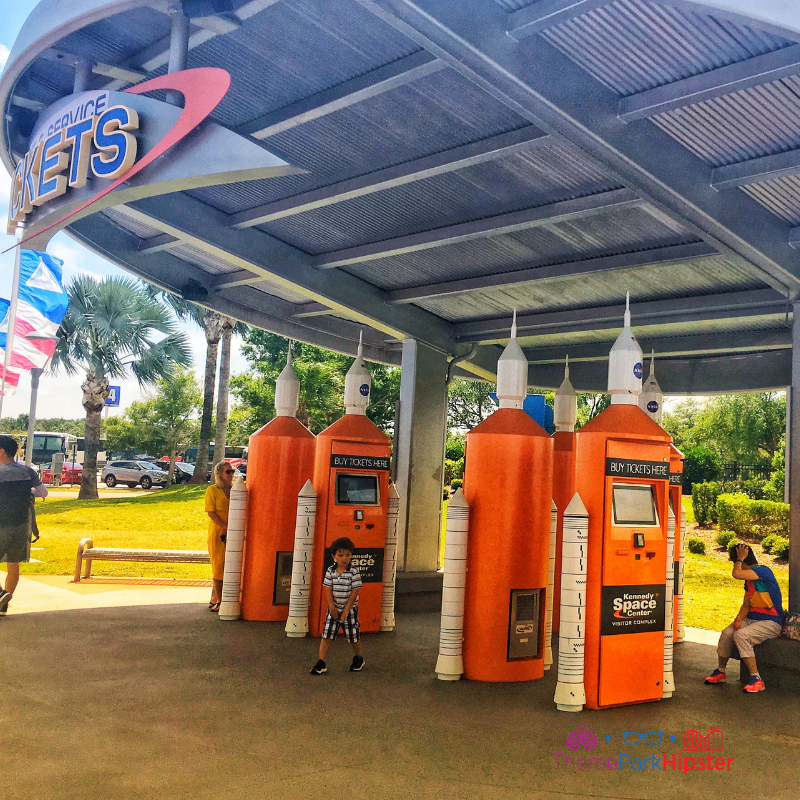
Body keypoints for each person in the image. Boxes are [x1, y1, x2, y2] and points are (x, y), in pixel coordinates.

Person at [705, 542, 784, 693]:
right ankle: (721, 671)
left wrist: (739, 558)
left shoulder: (763, 571)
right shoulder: (749, 581)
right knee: (728, 633)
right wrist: (739, 619)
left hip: (771, 622)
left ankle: (756, 679)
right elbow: (746, 605)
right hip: (752, 619)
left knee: (741, 636)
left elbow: (736, 574)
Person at [0, 435, 48, 614]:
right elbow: (43, 491)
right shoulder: (28, 472)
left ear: (2, 451)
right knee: (13, 564)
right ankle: (3, 603)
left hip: (1, 523)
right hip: (22, 524)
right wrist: (27, 491)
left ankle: (1, 596)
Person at [310, 537, 364, 675]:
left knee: (353, 636)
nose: (344, 558)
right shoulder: (330, 571)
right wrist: (331, 607)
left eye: (347, 555)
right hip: (333, 609)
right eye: (340, 555)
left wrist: (346, 610)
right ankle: (321, 662)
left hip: (350, 610)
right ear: (334, 556)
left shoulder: (354, 572)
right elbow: (328, 589)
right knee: (327, 635)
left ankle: (358, 658)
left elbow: (355, 591)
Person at [204, 460, 234, 612]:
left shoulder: (236, 490)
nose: (231, 474)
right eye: (228, 472)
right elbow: (210, 512)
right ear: (219, 474)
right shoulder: (212, 490)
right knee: (218, 565)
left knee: (229, 564)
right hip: (218, 532)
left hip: (233, 532)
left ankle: (214, 598)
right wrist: (225, 526)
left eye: (232, 471)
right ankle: (220, 600)